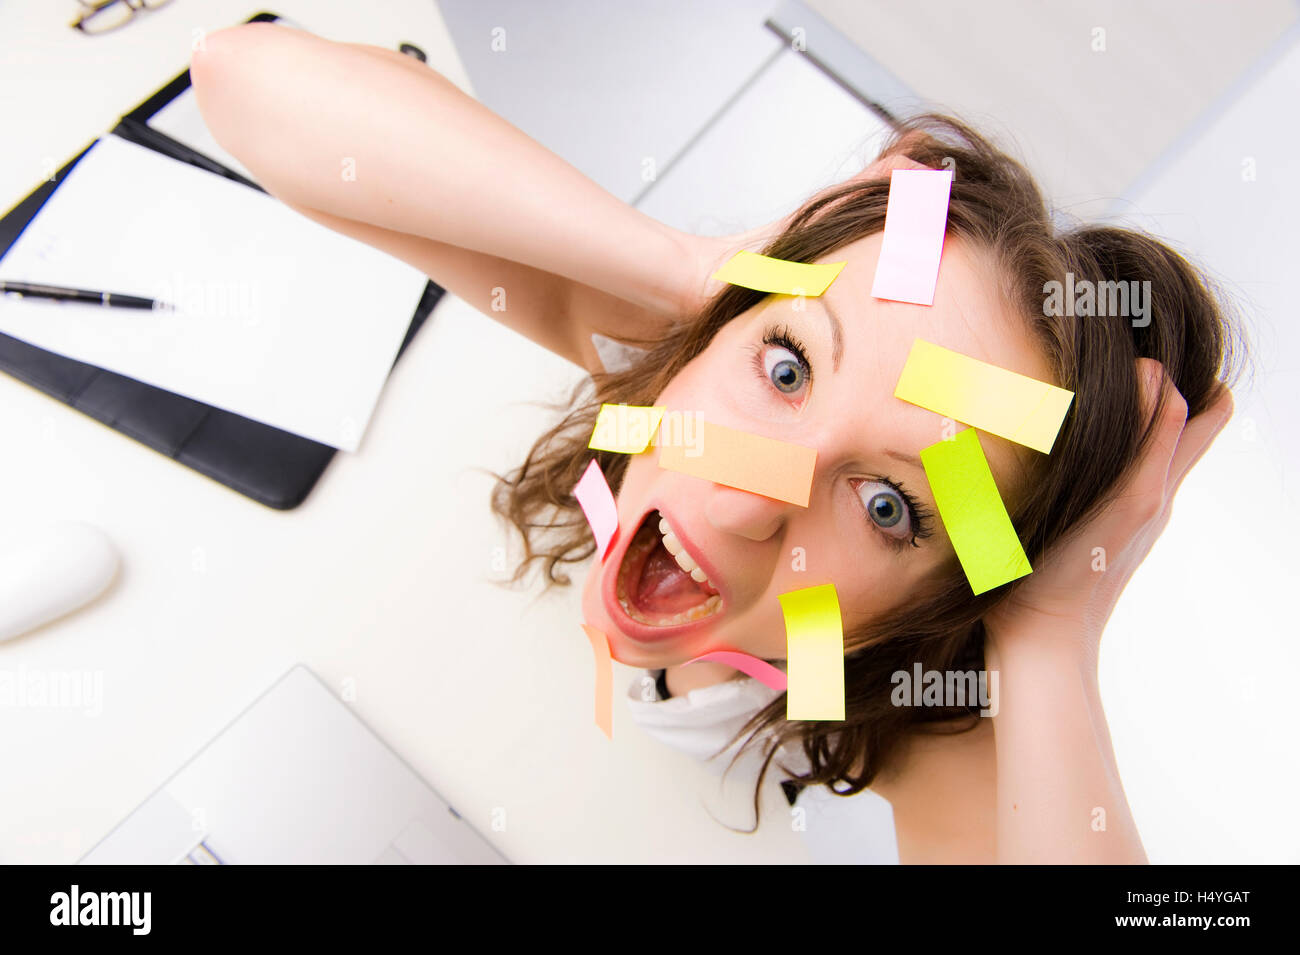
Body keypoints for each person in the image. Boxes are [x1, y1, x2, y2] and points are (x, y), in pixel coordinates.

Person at [190, 22, 1246, 864]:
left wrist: (1049, 638)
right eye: (785, 367)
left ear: (947, 600)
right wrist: (688, 268)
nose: (747, 501)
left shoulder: (914, 707)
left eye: (888, 505)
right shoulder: (659, 360)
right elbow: (240, 75)